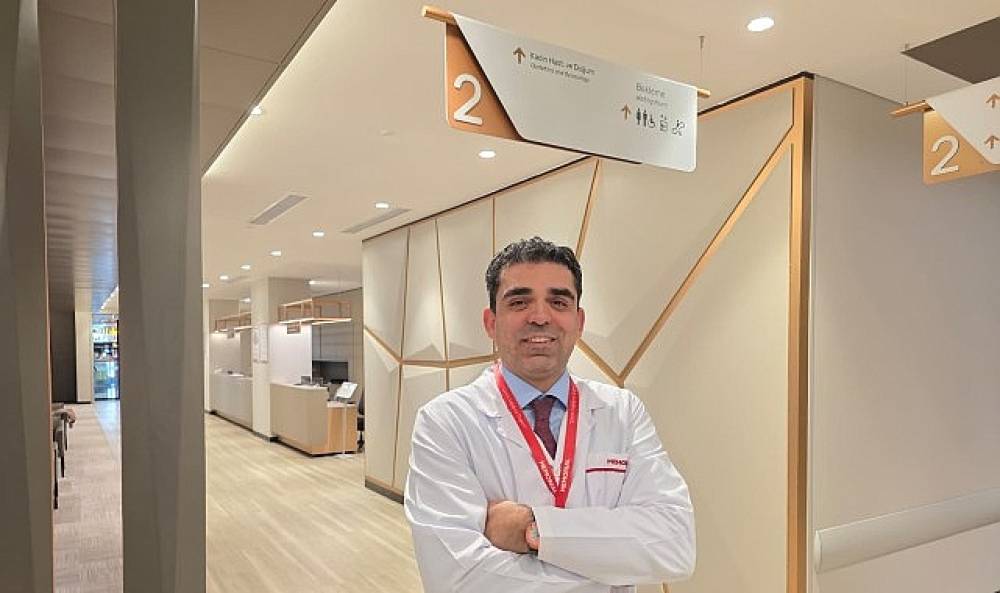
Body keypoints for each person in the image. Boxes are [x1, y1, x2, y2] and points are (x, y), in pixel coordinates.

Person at [404, 236, 695, 593]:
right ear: (491, 322)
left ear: (578, 321)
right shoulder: (444, 422)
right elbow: (456, 579)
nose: (540, 317)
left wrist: (534, 530)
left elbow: (674, 545)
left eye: (558, 302)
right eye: (519, 302)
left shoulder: (623, 412)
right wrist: (606, 570)